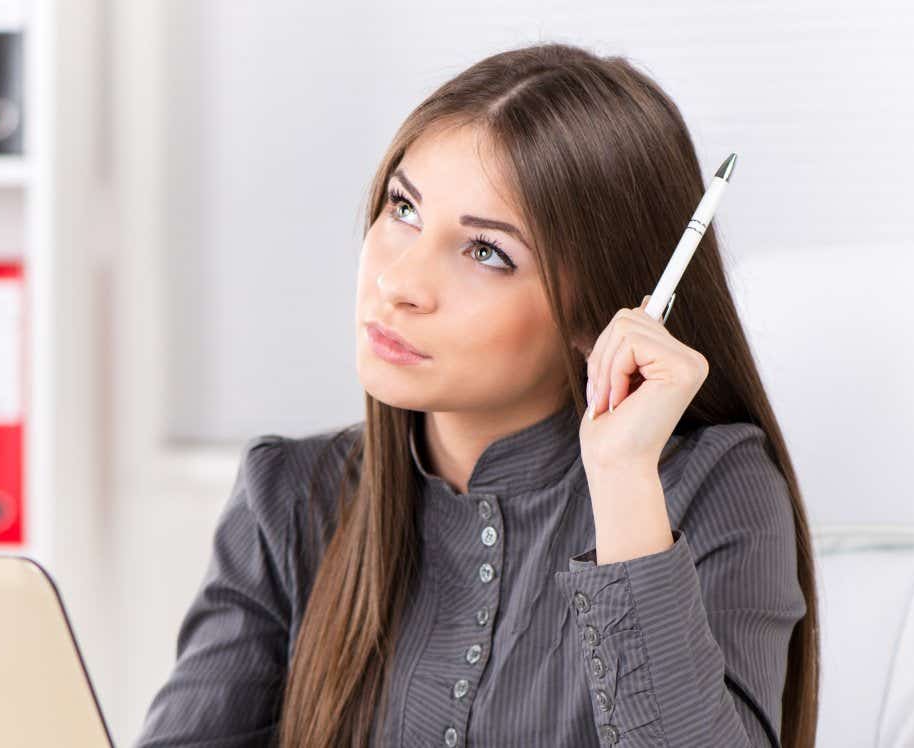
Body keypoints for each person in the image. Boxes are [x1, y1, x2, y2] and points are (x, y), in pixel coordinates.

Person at [137, 41, 818, 748]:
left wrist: (621, 485)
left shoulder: (709, 489)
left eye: (486, 252)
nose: (398, 283)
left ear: (601, 312)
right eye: (403, 208)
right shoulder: (288, 497)